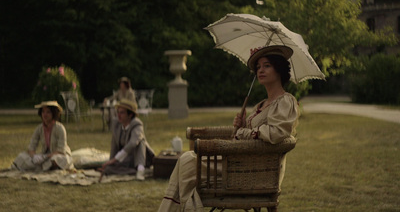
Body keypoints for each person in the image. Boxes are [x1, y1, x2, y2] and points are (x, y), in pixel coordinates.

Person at [157, 45, 299, 211]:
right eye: (258, 67)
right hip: (241, 160)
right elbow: (251, 132)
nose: (260, 70)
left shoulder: (285, 101)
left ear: (279, 69)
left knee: (187, 160)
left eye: (267, 65)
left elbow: (276, 133)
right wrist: (241, 124)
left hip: (256, 169)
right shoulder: (262, 104)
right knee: (186, 160)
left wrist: (243, 131)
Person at [99, 99, 154, 180]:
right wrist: (110, 163)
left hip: (141, 158)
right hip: (126, 159)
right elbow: (114, 145)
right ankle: (134, 172)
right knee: (108, 169)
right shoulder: (116, 124)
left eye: (122, 113)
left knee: (140, 141)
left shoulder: (137, 124)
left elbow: (132, 143)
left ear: (130, 114)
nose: (119, 115)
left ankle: (140, 170)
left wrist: (114, 160)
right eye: (118, 112)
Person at [12, 101, 74, 171]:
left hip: (59, 156)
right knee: (22, 157)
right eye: (43, 112)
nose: (45, 115)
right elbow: (31, 147)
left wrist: (45, 157)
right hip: (44, 157)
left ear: (53, 114)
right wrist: (34, 156)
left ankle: (46, 166)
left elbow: (61, 150)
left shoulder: (60, 128)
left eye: (48, 112)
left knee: (57, 160)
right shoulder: (39, 128)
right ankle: (45, 166)